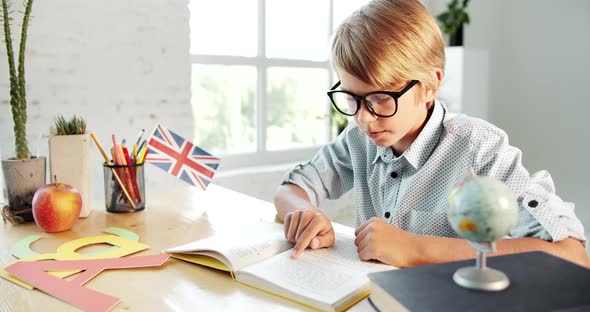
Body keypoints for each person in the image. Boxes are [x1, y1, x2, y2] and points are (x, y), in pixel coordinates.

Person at [274, 0, 589, 268]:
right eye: (351, 98)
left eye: (381, 98)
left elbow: (572, 255)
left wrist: (414, 249)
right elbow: (291, 188)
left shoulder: (480, 151)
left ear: (430, 85)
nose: (364, 119)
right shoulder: (358, 141)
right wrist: (305, 214)